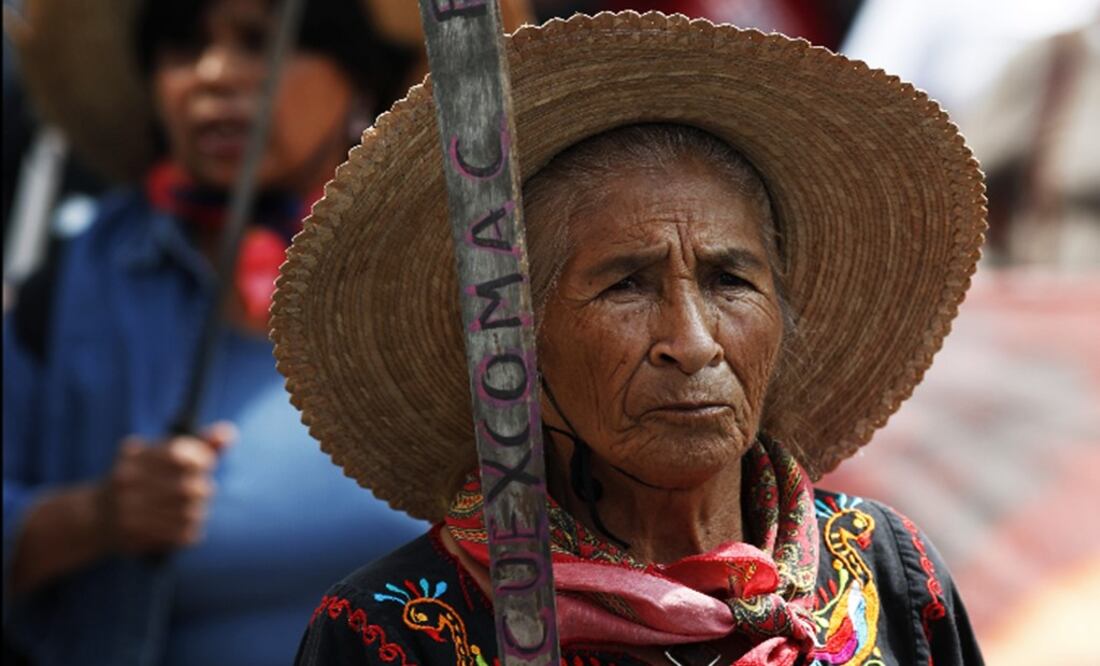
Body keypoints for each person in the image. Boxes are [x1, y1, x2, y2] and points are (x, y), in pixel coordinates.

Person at [273, 12, 986, 666]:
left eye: (729, 280)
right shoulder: (394, 631)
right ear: (514, 345)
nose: (693, 341)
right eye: (627, 286)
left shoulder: (891, 571)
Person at [0, 0, 470, 664]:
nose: (214, 75)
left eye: (260, 42)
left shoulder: (467, 276)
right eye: (183, 47)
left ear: (361, 75)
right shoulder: (77, 284)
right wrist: (95, 518)